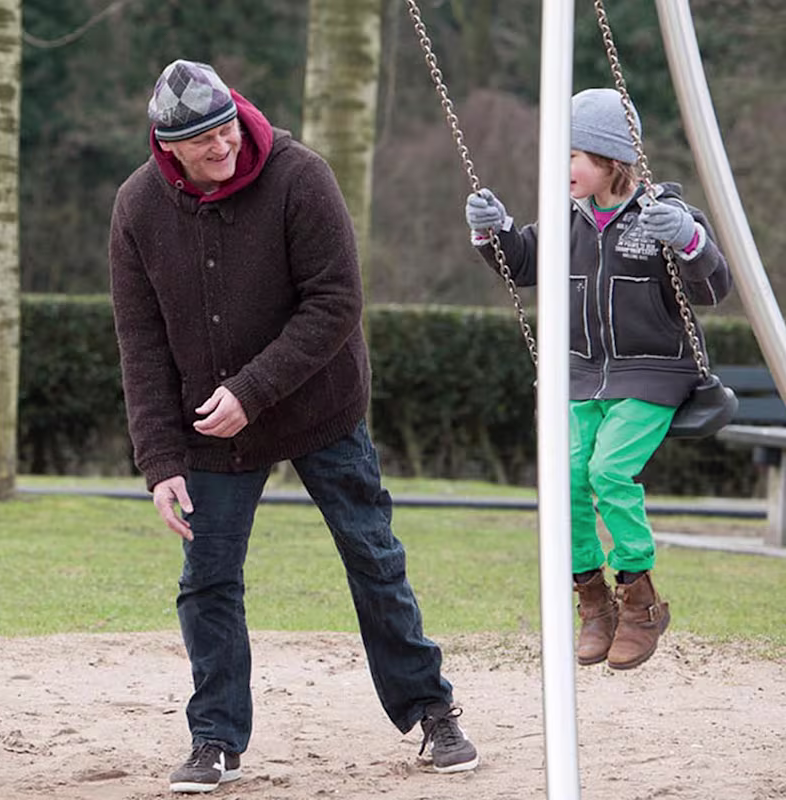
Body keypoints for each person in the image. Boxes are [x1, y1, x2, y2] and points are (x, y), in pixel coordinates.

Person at [109, 59, 478, 794]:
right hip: (216, 431)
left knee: (373, 557)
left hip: (320, 409)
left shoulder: (299, 175)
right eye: (203, 141)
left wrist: (252, 388)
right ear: (167, 146)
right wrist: (159, 461)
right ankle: (215, 738)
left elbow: (337, 302)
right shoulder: (137, 208)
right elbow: (141, 344)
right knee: (206, 579)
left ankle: (431, 709)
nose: (222, 147)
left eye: (225, 129)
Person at [464, 88, 732, 671]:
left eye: (572, 157)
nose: (561, 169)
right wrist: (494, 231)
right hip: (579, 375)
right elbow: (524, 263)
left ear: (612, 159)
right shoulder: (566, 220)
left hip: (652, 375)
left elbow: (712, 289)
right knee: (565, 481)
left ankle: (639, 598)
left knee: (608, 470)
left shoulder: (662, 214)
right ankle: (592, 600)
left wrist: (687, 239)